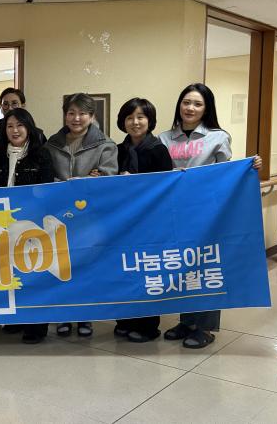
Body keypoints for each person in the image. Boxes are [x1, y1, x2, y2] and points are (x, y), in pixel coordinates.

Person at [159, 83, 262, 349]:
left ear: (206, 109)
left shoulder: (218, 137)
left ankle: (204, 327)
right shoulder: (165, 138)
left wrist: (249, 167)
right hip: (173, 214)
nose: (190, 108)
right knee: (182, 267)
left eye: (197, 104)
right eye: (186, 102)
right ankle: (187, 321)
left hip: (207, 214)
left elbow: (226, 174)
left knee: (205, 267)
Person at [43, 92, 118, 338]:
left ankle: (86, 316)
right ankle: (64, 315)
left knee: (86, 266)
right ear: (65, 114)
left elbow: (108, 178)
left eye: (82, 113)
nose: (76, 118)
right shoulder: (52, 144)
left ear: (91, 116)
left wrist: (87, 181)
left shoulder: (105, 144)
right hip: (58, 216)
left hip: (89, 219)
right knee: (61, 265)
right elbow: (45, 176)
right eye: (71, 113)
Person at [0, 107, 54, 343]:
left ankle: (36, 325)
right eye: (10, 126)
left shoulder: (41, 154)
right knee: (11, 271)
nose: (15, 130)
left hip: (31, 223)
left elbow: (46, 192)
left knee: (33, 271)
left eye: (20, 125)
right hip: (2, 224)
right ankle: (17, 319)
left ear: (29, 128)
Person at [112, 98, 173, 343]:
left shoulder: (158, 150)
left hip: (150, 222)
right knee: (124, 269)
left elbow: (165, 187)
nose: (135, 122)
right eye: (129, 117)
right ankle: (125, 320)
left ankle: (148, 325)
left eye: (140, 117)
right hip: (122, 222)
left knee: (147, 271)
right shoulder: (117, 150)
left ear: (149, 121)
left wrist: (135, 182)